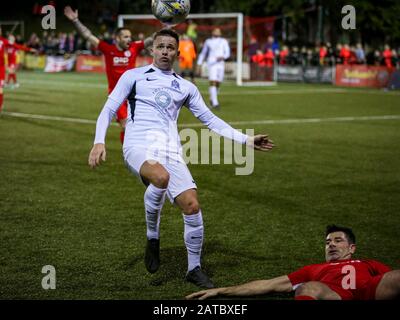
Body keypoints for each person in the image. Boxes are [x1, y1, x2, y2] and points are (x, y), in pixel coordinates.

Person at [88, 28, 275, 288]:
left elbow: (210, 120)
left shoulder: (186, 86)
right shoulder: (134, 76)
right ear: (152, 49)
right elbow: (108, 109)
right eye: (160, 46)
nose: (165, 51)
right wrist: (99, 140)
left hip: (171, 150)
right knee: (160, 177)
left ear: (177, 52)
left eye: (170, 48)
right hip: (138, 145)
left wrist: (246, 139)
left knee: (192, 206)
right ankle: (153, 237)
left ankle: (194, 268)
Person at [187, 225, 400, 300]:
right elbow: (269, 284)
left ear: (351, 248)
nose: (331, 245)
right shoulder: (314, 269)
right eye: (327, 242)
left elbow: (388, 279)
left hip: (368, 292)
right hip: (334, 296)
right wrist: (221, 290)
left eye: (337, 240)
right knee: (309, 287)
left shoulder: (368, 263)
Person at [64, 5, 152, 144]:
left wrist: (167, 26)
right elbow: (88, 36)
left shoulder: (135, 47)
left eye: (130, 36)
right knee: (126, 125)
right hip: (117, 96)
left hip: (134, 95)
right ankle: (130, 152)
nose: (129, 39)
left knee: (135, 126)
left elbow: (150, 40)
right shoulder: (108, 49)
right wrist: (75, 21)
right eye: (125, 37)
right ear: (117, 38)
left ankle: (131, 150)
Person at [0, 28, 35, 112]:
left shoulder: (4, 41)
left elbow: (18, 46)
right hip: (6, 64)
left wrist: (29, 49)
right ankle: (11, 82)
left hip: (1, 67)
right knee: (11, 72)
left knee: (0, 89)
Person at [196, 28, 230, 109]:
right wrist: (199, 64)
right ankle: (215, 103)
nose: (217, 32)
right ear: (212, 32)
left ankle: (212, 98)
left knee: (218, 82)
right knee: (213, 82)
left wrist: (223, 57)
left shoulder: (223, 41)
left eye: (219, 31)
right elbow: (203, 53)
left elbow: (227, 53)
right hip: (211, 64)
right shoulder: (208, 41)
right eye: (215, 30)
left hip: (221, 64)